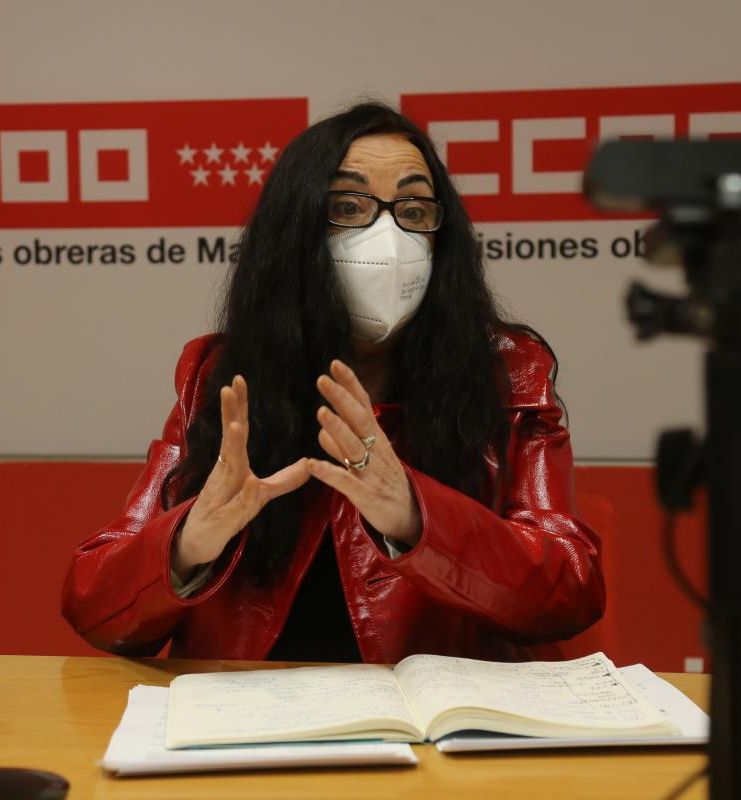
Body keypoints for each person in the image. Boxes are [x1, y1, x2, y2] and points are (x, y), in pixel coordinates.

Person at [60, 102, 604, 664]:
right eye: (348, 206)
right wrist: (190, 541)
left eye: (414, 210)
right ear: (296, 232)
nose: (389, 239)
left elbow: (572, 589)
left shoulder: (508, 374)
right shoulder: (220, 374)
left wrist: (416, 517)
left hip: (431, 715)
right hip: (250, 711)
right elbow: (93, 604)